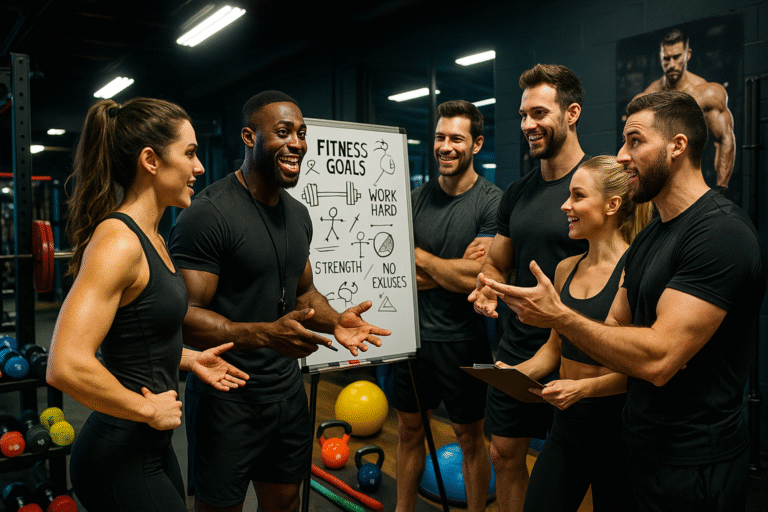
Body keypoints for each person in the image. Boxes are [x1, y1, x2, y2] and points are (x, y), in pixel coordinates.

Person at [478, 91, 765, 511]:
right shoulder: (652, 236)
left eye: (634, 141)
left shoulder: (720, 233)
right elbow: (615, 332)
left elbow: (658, 360)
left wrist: (561, 317)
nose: (621, 155)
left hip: (695, 465)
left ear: (678, 146)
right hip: (639, 446)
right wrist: (533, 367)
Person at [167, 90, 390, 512]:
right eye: (283, 132)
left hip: (287, 394)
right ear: (249, 137)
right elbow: (184, 316)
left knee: (285, 500)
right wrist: (266, 335)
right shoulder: (207, 214)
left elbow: (304, 292)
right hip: (226, 396)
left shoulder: (298, 214)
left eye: (301, 134)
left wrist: (334, 320)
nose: (297, 144)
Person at [47, 97, 249, 512]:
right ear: (150, 160)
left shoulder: (154, 237)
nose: (199, 168)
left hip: (151, 444)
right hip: (119, 452)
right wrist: (145, 407)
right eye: (190, 153)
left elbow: (138, 333)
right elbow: (64, 364)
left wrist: (189, 360)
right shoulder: (119, 241)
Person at [467, 63, 591, 512]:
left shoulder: (597, 185)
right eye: (523, 115)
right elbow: (499, 263)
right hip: (518, 347)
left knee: (577, 465)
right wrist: (488, 288)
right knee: (503, 452)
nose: (527, 125)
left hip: (577, 350)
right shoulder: (518, 192)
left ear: (571, 113)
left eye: (539, 113)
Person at [507, 155, 652, 512]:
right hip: (565, 426)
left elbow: (638, 365)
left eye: (577, 196)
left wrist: (583, 388)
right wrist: (514, 374)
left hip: (615, 432)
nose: (565, 205)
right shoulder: (564, 269)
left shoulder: (634, 271)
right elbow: (554, 349)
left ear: (612, 205)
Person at [392, 100, 501, 512]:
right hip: (412, 337)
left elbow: (480, 279)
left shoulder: (492, 202)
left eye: (457, 138)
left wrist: (418, 256)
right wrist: (454, 269)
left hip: (464, 339)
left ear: (476, 144)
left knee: (470, 437)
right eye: (440, 137)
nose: (446, 146)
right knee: (407, 429)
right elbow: (398, 273)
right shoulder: (414, 200)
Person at [636, 29, 735, 190]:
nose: (672, 64)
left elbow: (724, 140)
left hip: (697, 182)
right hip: (659, 185)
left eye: (676, 57)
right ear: (660, 58)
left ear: (687, 54)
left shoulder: (706, 93)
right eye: (666, 59)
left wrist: (721, 188)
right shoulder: (650, 96)